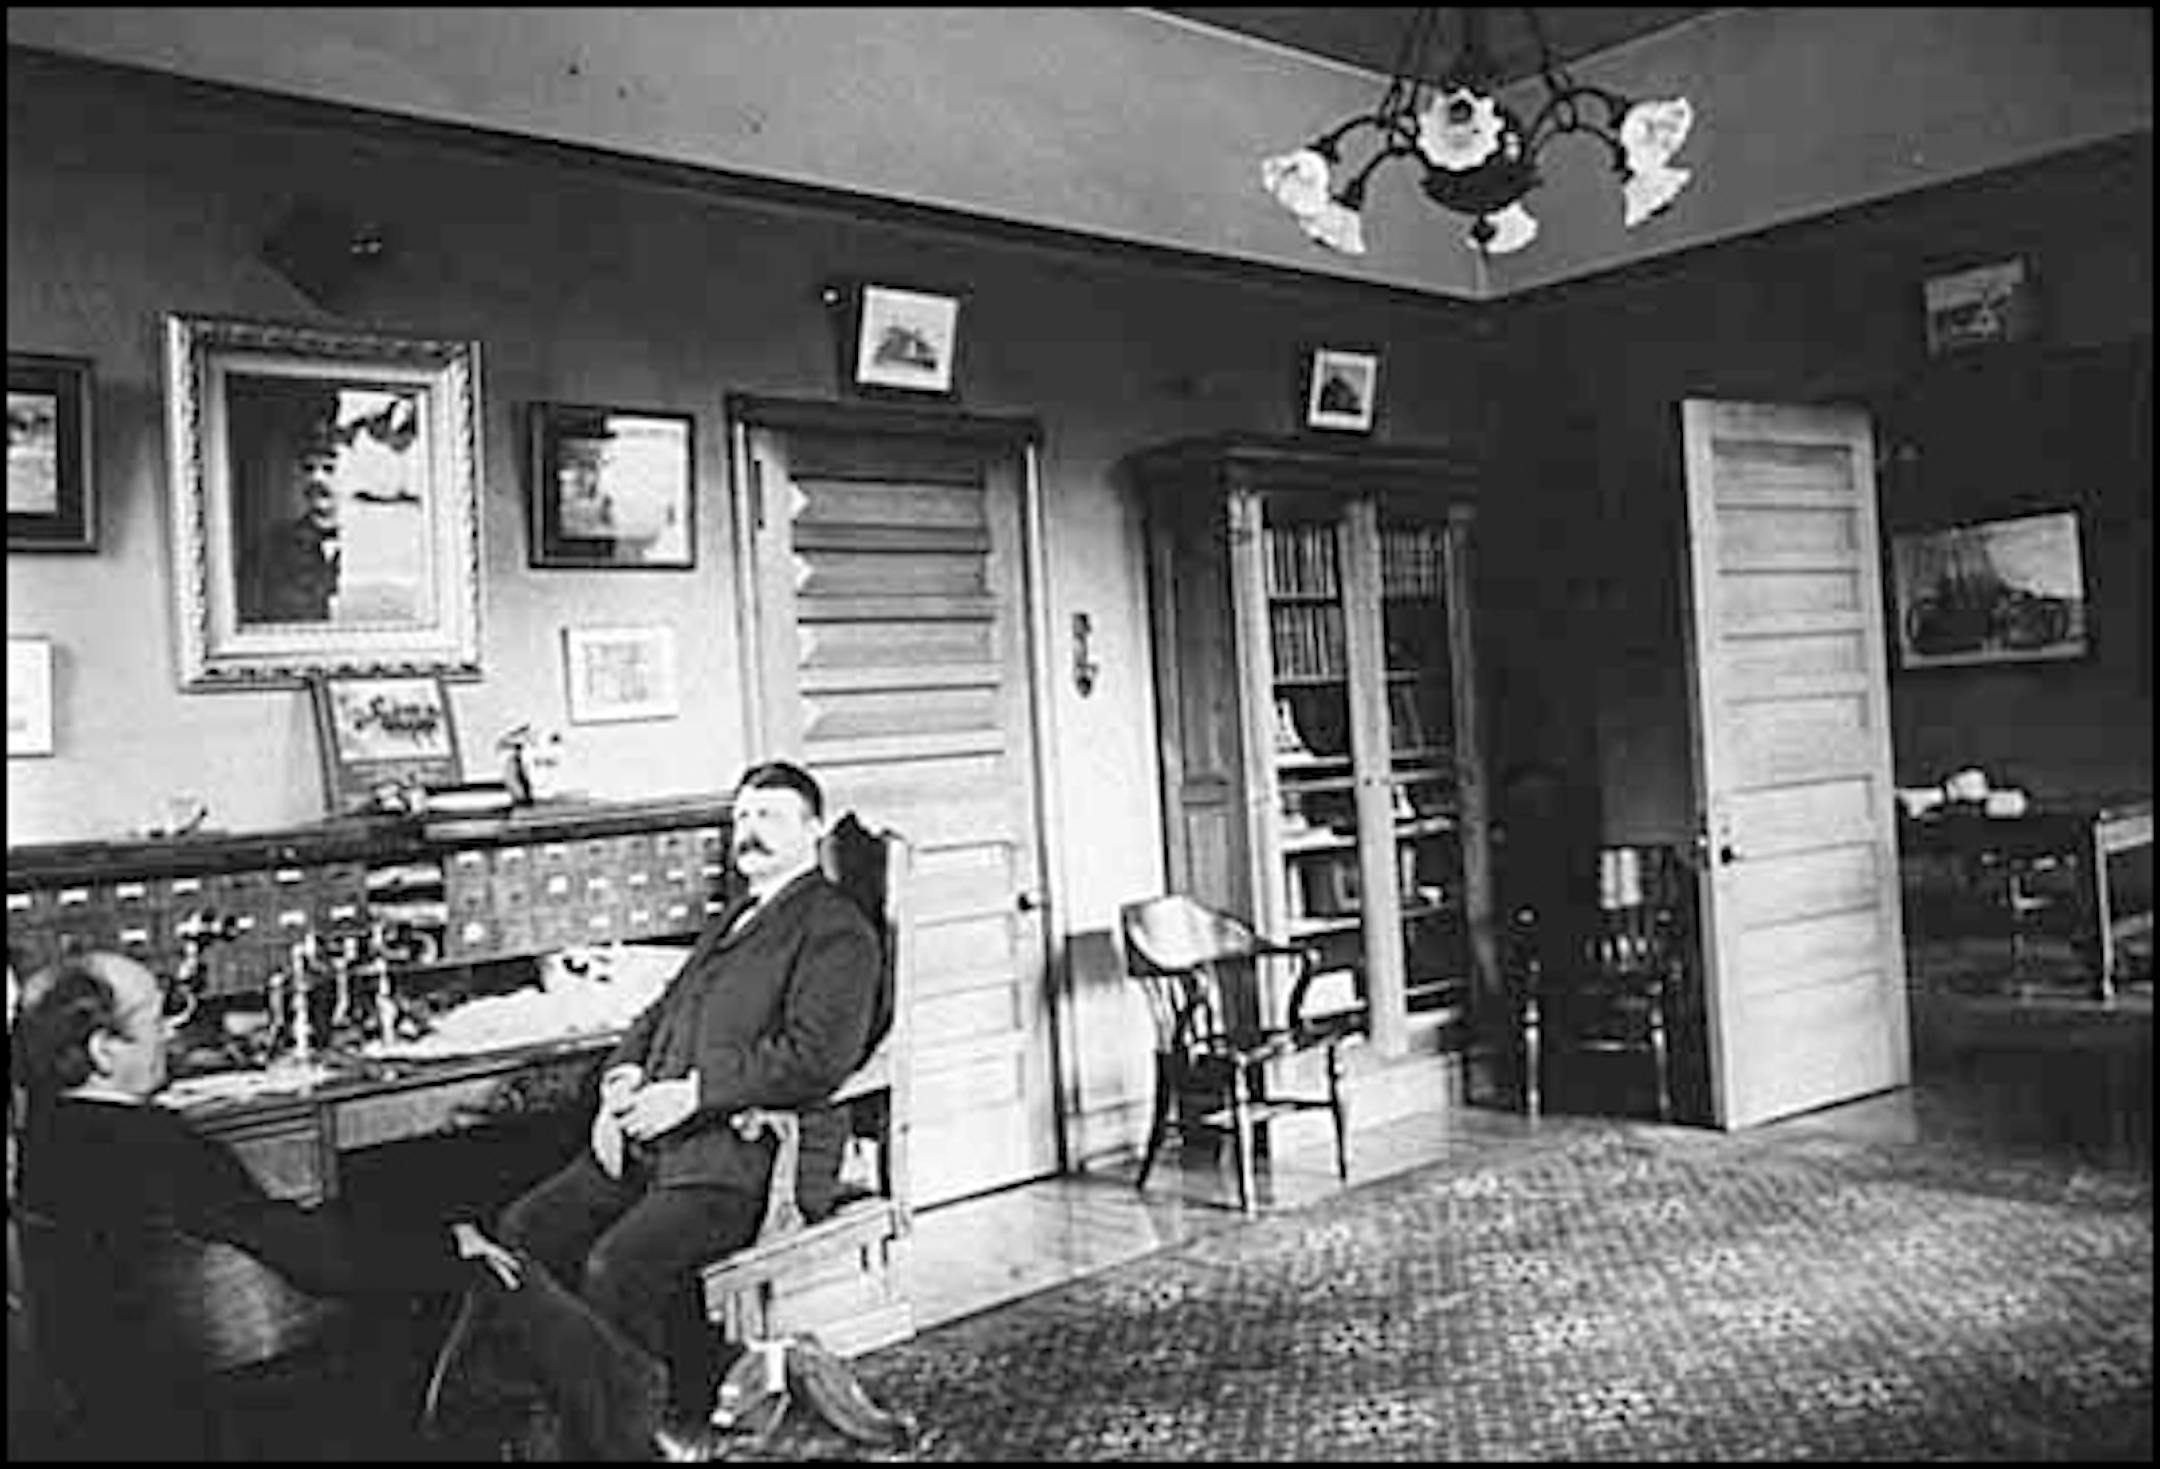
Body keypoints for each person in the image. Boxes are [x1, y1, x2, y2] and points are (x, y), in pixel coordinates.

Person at [9, 949, 525, 1459]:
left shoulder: (43, 1140)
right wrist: (441, 1245)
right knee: (470, 1289)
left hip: (117, 1399)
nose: (171, 1032)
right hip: (252, 1396)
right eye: (156, 1017)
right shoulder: (157, 1143)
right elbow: (313, 1256)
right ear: (103, 1051)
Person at [492, 759, 884, 1411]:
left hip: (752, 1159)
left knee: (617, 1266)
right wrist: (620, 1080)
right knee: (525, 1230)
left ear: (813, 829)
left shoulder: (835, 929)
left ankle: (646, 1428)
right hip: (664, 1144)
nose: (749, 830)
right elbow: (662, 1009)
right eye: (742, 816)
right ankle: (591, 1408)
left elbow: (815, 1059)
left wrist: (693, 1095)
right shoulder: (736, 916)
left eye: (769, 815)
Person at [242, 433, 343, 622]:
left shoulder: (374, 549)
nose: (316, 479)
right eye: (308, 469)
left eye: (330, 469)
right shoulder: (270, 549)